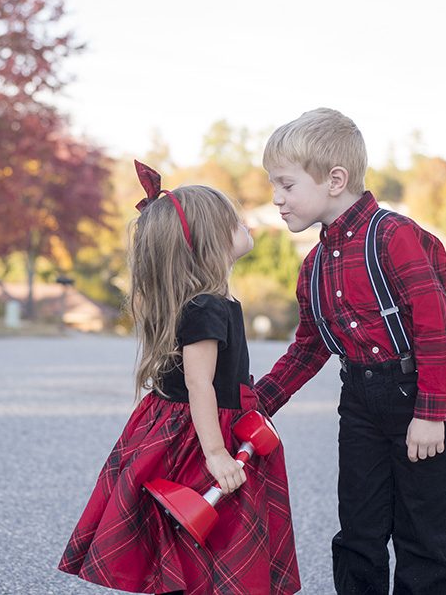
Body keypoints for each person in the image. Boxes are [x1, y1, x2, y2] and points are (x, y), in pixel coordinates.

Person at [59, 161, 301, 595]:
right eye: (234, 220)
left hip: (181, 427)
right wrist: (216, 454)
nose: (245, 223)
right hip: (201, 435)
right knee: (206, 538)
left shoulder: (202, 300)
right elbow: (199, 384)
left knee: (186, 541)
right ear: (210, 242)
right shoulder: (206, 306)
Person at [255, 109, 446, 594]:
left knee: (422, 535)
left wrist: (430, 413)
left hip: (417, 397)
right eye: (273, 187)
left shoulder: (393, 236)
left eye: (285, 185)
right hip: (360, 403)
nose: (277, 200)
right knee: (359, 532)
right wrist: (255, 403)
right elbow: (309, 348)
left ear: (334, 180)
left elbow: (436, 324)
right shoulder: (314, 265)